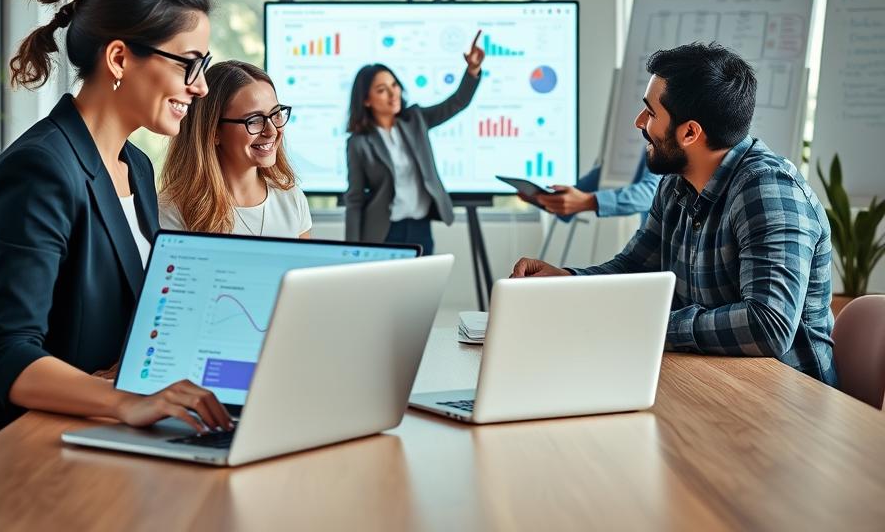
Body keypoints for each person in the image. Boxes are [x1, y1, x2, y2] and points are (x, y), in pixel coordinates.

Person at [0, 0, 233, 451]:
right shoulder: (39, 171)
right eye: (189, 63)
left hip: (108, 435)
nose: (200, 86)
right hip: (32, 453)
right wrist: (128, 402)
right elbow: (8, 355)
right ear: (118, 58)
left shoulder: (134, 165)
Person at [512, 42, 836, 385]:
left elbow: (767, 326)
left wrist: (648, 322)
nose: (640, 122)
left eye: (650, 113)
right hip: (709, 380)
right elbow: (633, 267)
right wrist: (567, 280)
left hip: (789, 399)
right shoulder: (675, 185)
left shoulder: (767, 191)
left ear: (690, 132)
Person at [344, 32, 485, 254]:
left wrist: (472, 71)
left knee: (423, 288)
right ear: (366, 100)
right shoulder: (358, 143)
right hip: (384, 231)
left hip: (421, 228)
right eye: (382, 90)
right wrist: (350, 249)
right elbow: (355, 199)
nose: (393, 94)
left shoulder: (415, 120)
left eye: (394, 85)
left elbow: (456, 103)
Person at [159, 61, 311, 238]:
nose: (272, 131)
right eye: (254, 120)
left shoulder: (291, 198)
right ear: (214, 131)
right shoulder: (172, 210)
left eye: (276, 114)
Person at [528, 148, 660, 225]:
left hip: (658, 258)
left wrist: (588, 201)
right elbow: (604, 175)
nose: (639, 121)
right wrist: (553, 200)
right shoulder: (640, 142)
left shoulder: (663, 147)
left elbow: (650, 194)